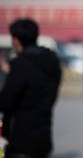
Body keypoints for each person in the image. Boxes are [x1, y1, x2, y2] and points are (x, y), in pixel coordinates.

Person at [0, 18, 62, 158]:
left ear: (15, 40)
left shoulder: (21, 64)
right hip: (43, 137)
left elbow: (6, 101)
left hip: (21, 139)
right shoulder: (52, 63)